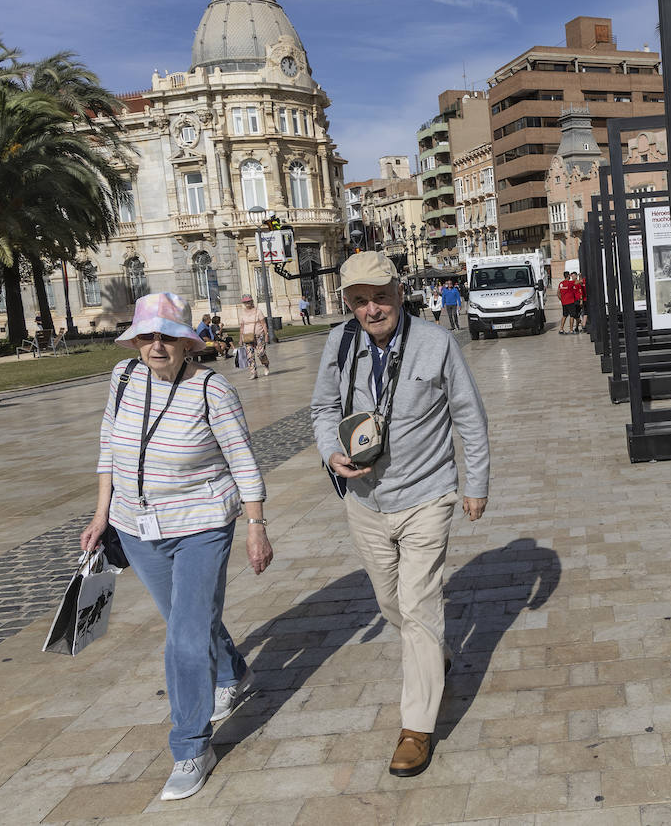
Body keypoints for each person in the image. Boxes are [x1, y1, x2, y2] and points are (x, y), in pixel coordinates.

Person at [79, 291, 272, 801]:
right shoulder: (122, 379)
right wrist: (101, 517)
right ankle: (234, 670)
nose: (157, 346)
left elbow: (244, 462)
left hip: (201, 525)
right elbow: (108, 452)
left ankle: (190, 746)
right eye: (148, 336)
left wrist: (256, 525)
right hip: (135, 528)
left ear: (187, 342)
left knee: (184, 636)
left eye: (168, 336)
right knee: (188, 620)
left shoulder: (212, 390)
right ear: (136, 341)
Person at [310, 251, 489, 778]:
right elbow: (323, 408)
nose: (372, 309)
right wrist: (330, 451)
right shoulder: (340, 343)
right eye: (360, 300)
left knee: (418, 604)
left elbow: (469, 417)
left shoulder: (436, 343)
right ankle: (435, 653)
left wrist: (474, 484)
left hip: (428, 496)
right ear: (348, 303)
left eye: (380, 297)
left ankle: (417, 727)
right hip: (364, 502)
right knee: (393, 604)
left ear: (399, 291)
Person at [237, 294, 270, 379]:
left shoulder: (258, 311)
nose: (247, 303)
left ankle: (266, 364)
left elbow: (264, 324)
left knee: (261, 353)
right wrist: (240, 339)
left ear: (252, 301)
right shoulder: (242, 313)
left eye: (248, 301)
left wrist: (266, 335)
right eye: (245, 302)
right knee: (250, 356)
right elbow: (241, 327)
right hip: (247, 337)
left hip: (259, 335)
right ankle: (253, 373)